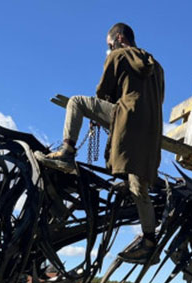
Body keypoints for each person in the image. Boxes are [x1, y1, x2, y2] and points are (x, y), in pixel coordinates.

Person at [38, 22, 165, 264]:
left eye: (109, 44)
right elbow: (159, 98)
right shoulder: (157, 67)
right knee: (138, 186)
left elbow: (103, 91)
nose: (109, 49)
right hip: (151, 131)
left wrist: (101, 112)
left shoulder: (119, 55)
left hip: (127, 117)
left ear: (119, 38)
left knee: (76, 102)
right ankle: (150, 241)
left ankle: (66, 152)